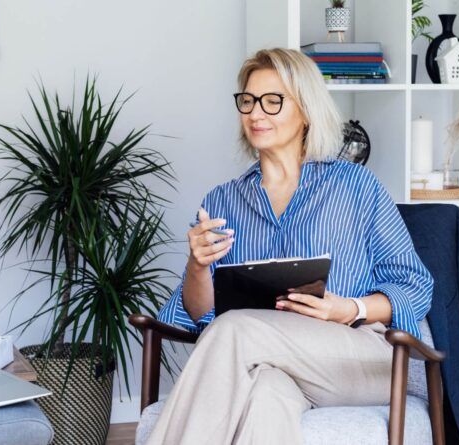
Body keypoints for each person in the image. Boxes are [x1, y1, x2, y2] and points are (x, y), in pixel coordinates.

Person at [146, 48, 434, 445]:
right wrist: (197, 267)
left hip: (361, 360)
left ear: (306, 111)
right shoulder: (222, 201)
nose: (255, 113)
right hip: (271, 362)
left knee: (235, 330)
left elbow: (414, 286)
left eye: (272, 100)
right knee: (265, 393)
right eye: (247, 101)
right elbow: (199, 313)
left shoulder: (355, 186)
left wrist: (348, 308)